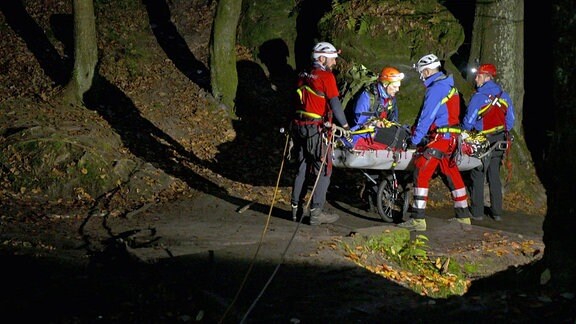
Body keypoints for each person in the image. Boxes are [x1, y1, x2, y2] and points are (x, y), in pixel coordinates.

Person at [397, 54, 472, 232]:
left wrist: (414, 140)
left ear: (428, 71)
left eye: (422, 73)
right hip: (452, 139)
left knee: (422, 170)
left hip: (440, 139)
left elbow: (426, 117)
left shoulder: (436, 89)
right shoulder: (449, 86)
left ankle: (418, 219)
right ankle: (463, 217)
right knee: (452, 173)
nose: (421, 77)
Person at [290, 42, 350, 225]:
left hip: (299, 126)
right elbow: (335, 104)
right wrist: (346, 127)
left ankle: (295, 210)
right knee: (323, 170)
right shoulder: (326, 76)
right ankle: (316, 212)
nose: (334, 62)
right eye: (332, 58)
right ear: (322, 58)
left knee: (301, 168)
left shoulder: (302, 74)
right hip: (316, 129)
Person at [462, 63, 515, 222]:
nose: (476, 78)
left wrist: (468, 129)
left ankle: (477, 212)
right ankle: (497, 212)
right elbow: (510, 121)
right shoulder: (504, 96)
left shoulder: (478, 97)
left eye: (478, 75)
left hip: (482, 141)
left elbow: (468, 122)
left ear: (486, 77)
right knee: (494, 175)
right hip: (499, 140)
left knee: (478, 175)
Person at [349, 66, 405, 210]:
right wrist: (374, 122)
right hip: (363, 132)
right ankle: (372, 196)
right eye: (395, 86)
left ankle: (376, 195)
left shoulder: (391, 99)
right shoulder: (368, 95)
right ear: (385, 84)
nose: (397, 90)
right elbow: (359, 117)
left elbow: (394, 118)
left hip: (380, 134)